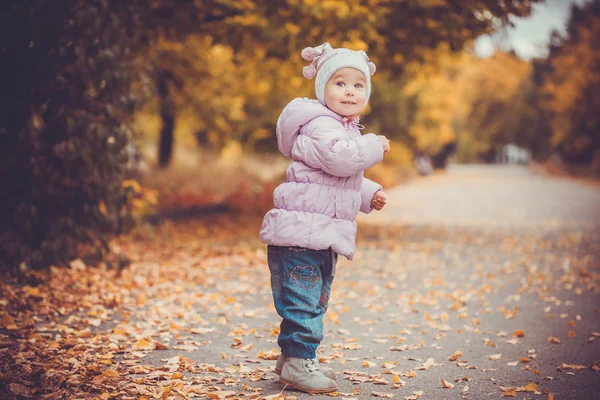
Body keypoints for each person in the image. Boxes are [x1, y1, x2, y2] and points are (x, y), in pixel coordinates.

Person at [259, 42, 390, 394]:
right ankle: (301, 360)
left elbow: (336, 177)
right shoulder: (321, 125)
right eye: (340, 83)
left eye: (358, 85)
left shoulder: (342, 130)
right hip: (304, 234)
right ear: (322, 88)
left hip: (317, 231)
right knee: (304, 300)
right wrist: (374, 146)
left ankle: (291, 359)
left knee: (312, 298)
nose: (350, 91)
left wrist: (367, 193)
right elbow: (342, 161)